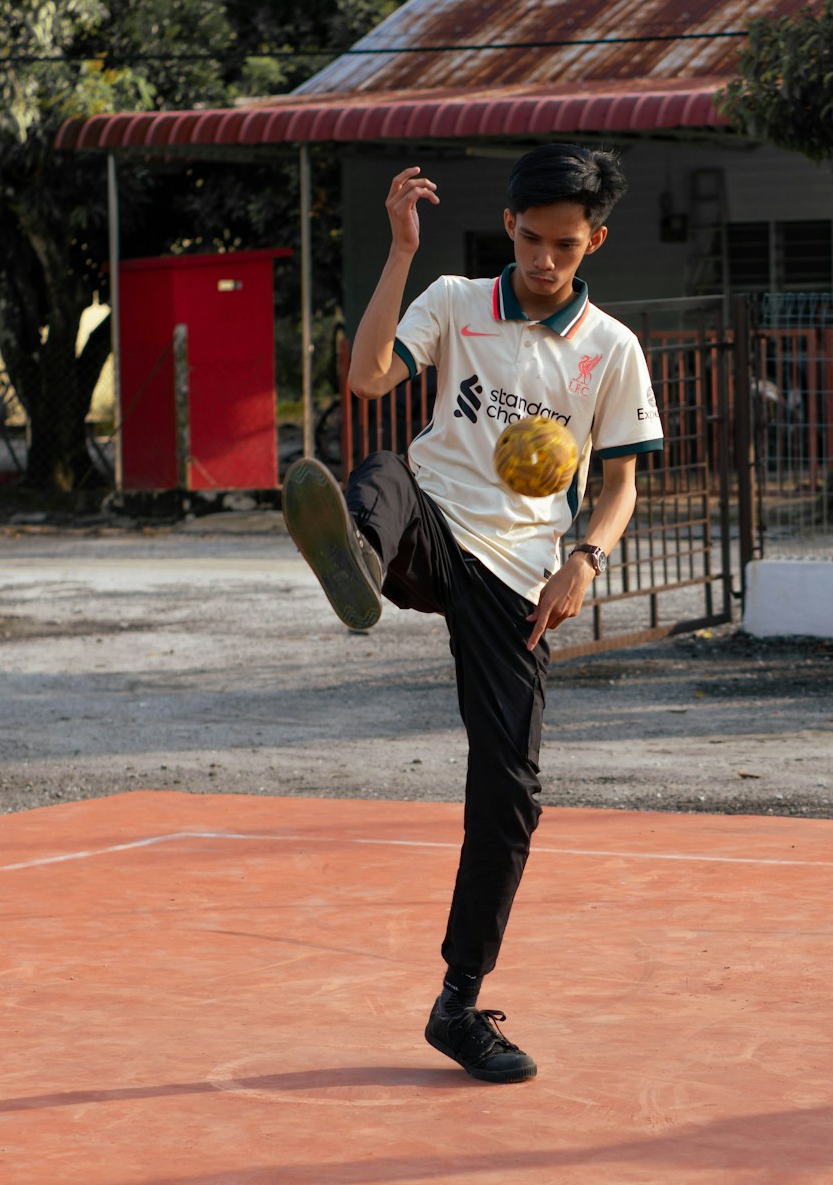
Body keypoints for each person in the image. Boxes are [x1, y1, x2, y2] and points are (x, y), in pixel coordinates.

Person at [281, 145, 662, 1084]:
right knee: (383, 470)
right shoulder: (455, 300)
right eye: (531, 240)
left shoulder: (610, 349)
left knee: (511, 793)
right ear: (511, 231)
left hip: (521, 574)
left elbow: (620, 486)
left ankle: (458, 1004)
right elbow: (371, 377)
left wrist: (585, 557)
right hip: (428, 520)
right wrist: (401, 250)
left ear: (593, 243)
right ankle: (356, 561)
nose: (543, 260)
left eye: (563, 247)